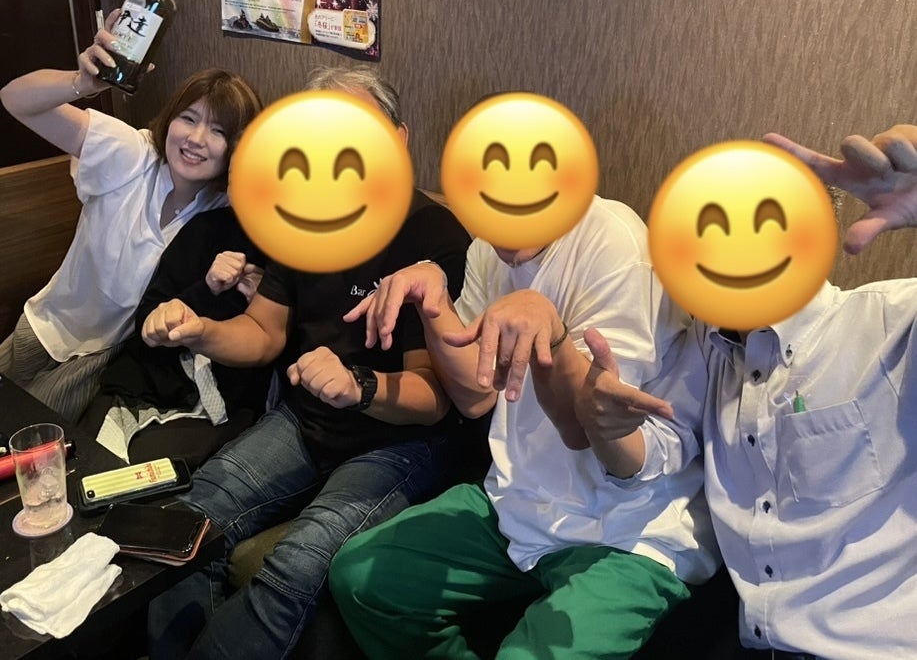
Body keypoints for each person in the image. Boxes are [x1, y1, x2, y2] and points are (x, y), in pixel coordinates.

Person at [462, 123, 917, 660]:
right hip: (752, 640)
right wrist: (602, 424)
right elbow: (650, 453)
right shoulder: (706, 347)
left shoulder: (888, 324)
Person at [142, 67, 475, 660]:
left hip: (401, 442)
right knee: (184, 523)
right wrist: (201, 330)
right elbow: (263, 332)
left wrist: (357, 385)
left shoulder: (433, 235)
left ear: (398, 140)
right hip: (306, 419)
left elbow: (434, 396)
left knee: (296, 563)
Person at [331, 195, 720, 659]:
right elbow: (475, 396)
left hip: (629, 526)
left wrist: (551, 332)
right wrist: (434, 307)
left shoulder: (615, 241)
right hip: (520, 499)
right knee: (361, 579)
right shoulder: (486, 249)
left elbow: (587, 433)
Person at [0, 11, 262, 421]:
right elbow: (14, 98)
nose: (196, 139)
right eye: (188, 118)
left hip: (111, 352)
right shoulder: (130, 154)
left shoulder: (223, 210)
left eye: (218, 131)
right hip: (49, 321)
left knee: (31, 433)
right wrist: (80, 82)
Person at [78, 205, 273, 470]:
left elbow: (275, 346)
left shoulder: (295, 255)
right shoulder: (207, 227)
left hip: (223, 406)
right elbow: (148, 320)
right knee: (80, 459)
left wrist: (268, 301)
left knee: (147, 473)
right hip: (146, 381)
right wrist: (206, 290)